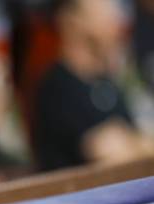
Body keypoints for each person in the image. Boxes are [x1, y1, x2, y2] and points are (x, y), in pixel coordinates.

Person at [33, 0, 154, 170]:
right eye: (102, 12)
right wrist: (137, 144)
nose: (115, 20)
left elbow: (138, 139)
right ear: (71, 21)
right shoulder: (57, 88)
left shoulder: (107, 82)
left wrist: (135, 143)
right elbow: (108, 154)